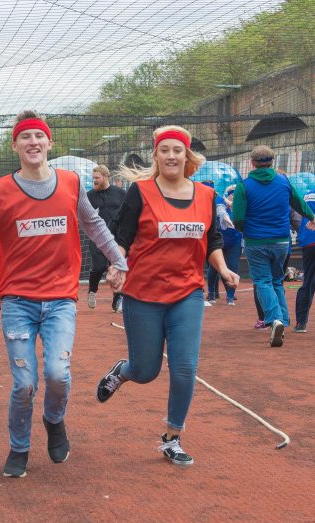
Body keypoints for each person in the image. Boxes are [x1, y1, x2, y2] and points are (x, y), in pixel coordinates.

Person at [0, 111, 127, 478]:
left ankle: (54, 420)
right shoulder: (1, 190)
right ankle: (19, 447)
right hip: (17, 300)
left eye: (39, 136)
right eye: (25, 138)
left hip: (59, 298)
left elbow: (95, 226)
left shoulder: (71, 184)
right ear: (16, 146)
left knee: (58, 373)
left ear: (49, 143)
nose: (33, 143)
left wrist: (119, 260)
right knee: (24, 382)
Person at [96, 125, 239, 467]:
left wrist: (222, 269)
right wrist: (117, 266)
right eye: (165, 150)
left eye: (178, 150)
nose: (171, 156)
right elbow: (122, 236)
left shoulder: (205, 194)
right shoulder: (140, 191)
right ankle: (124, 370)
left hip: (187, 293)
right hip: (143, 294)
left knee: (186, 367)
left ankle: (172, 438)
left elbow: (212, 240)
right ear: (156, 156)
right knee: (147, 370)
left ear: (187, 156)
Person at [232, 145, 315, 346]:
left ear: (252, 163)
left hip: (256, 241)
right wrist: (312, 216)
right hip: (281, 241)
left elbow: (238, 218)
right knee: (277, 280)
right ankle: (284, 319)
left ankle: (274, 318)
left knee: (262, 281)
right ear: (273, 161)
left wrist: (245, 230)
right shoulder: (284, 181)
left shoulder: (244, 185)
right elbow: (298, 204)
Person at [86, 164, 126, 312]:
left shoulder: (120, 193)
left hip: (116, 238)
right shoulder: (89, 196)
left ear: (105, 177)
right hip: (97, 237)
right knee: (99, 266)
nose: (94, 181)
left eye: (97, 178)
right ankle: (92, 291)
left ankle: (117, 300)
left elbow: (128, 211)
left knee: (116, 268)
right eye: (93, 178)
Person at [206, 185, 242, 305]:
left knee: (233, 266)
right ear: (228, 194)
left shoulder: (240, 205)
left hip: (234, 242)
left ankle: (230, 296)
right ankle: (211, 294)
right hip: (219, 241)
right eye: (232, 193)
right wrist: (227, 218)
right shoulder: (220, 200)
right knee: (214, 268)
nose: (234, 196)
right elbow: (221, 212)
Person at [293, 185, 315, 332]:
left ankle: (301, 322)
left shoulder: (307, 193)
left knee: (308, 281)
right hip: (310, 240)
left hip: (309, 242)